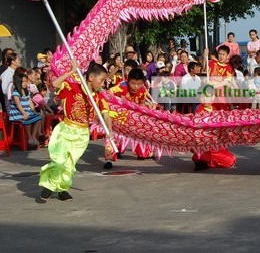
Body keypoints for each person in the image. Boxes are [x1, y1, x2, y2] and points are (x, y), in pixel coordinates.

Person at [39, 61, 112, 201]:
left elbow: (106, 114)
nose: (103, 84)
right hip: (66, 129)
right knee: (59, 160)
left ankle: (62, 189)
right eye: (101, 80)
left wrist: (109, 130)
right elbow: (54, 85)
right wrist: (72, 71)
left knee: (69, 165)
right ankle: (49, 185)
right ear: (91, 77)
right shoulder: (71, 87)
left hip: (82, 134)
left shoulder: (98, 96)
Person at [107, 68, 155, 166]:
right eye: (133, 83)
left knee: (141, 131)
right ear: (128, 81)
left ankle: (143, 152)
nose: (136, 87)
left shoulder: (142, 90)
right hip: (119, 116)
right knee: (115, 134)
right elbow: (106, 95)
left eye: (139, 83)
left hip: (134, 116)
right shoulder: (120, 87)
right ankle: (113, 152)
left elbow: (142, 104)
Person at [191, 86, 237, 171]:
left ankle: (207, 160)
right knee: (201, 156)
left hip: (214, 141)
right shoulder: (199, 109)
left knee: (230, 160)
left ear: (213, 98)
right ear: (199, 97)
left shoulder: (215, 108)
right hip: (203, 140)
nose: (205, 99)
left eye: (207, 96)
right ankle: (201, 160)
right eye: (202, 97)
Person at [9, 73, 43, 150]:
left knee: (38, 117)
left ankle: (33, 136)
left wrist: (34, 111)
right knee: (27, 118)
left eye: (26, 81)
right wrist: (24, 113)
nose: (25, 83)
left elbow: (30, 101)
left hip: (27, 111)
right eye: (23, 82)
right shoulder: (15, 93)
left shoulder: (27, 90)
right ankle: (29, 138)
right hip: (18, 113)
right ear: (18, 82)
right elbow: (18, 105)